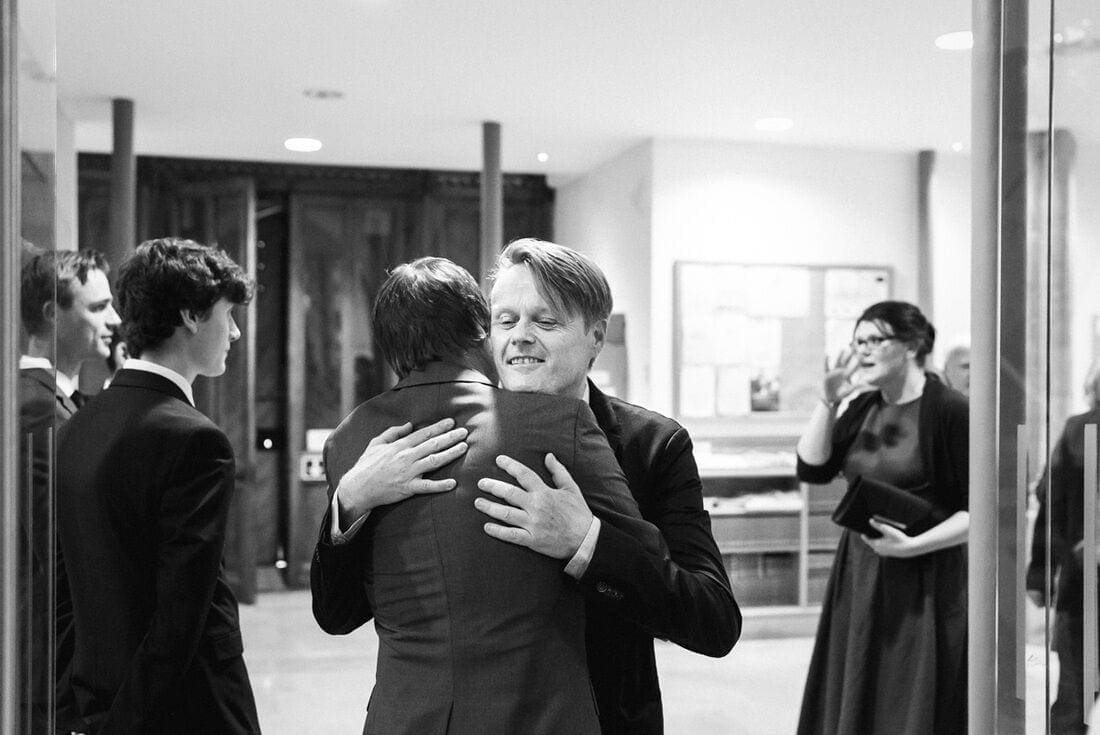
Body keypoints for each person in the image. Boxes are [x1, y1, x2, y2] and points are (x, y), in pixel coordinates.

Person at [310, 257, 651, 734]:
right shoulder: (557, 421)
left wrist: (347, 503)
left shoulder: (350, 443)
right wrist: (583, 538)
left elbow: (338, 612)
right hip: (539, 716)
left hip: (403, 718)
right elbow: (646, 561)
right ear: (479, 329)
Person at [473, 239, 741, 733]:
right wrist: (351, 503)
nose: (520, 337)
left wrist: (587, 544)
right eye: (505, 321)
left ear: (596, 337)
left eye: (545, 321)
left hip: (607, 717)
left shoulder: (654, 446)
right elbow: (342, 610)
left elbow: (714, 620)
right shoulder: (455, 438)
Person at [57, 238, 261, 734]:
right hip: (187, 709)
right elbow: (181, 619)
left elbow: (72, 593)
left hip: (97, 697)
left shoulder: (78, 424)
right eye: (227, 314)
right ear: (191, 315)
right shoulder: (196, 440)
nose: (233, 332)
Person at [795, 300, 969, 734]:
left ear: (910, 345)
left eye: (875, 340)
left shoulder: (949, 409)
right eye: (858, 342)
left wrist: (913, 546)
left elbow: (978, 512)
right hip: (861, 568)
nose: (864, 351)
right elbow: (812, 467)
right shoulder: (862, 406)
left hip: (925, 574)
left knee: (910, 693)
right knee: (858, 683)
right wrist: (828, 400)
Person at [19, 247, 120, 733]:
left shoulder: (60, 403)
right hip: (46, 668)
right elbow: (60, 552)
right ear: (49, 313)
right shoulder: (37, 409)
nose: (115, 319)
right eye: (98, 308)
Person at [1026, 361, 1100, 734]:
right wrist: (1039, 572)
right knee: (1073, 698)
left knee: (1073, 697)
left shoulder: (1078, 430)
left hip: (1083, 582)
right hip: (1085, 585)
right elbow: (1051, 504)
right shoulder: (1079, 430)